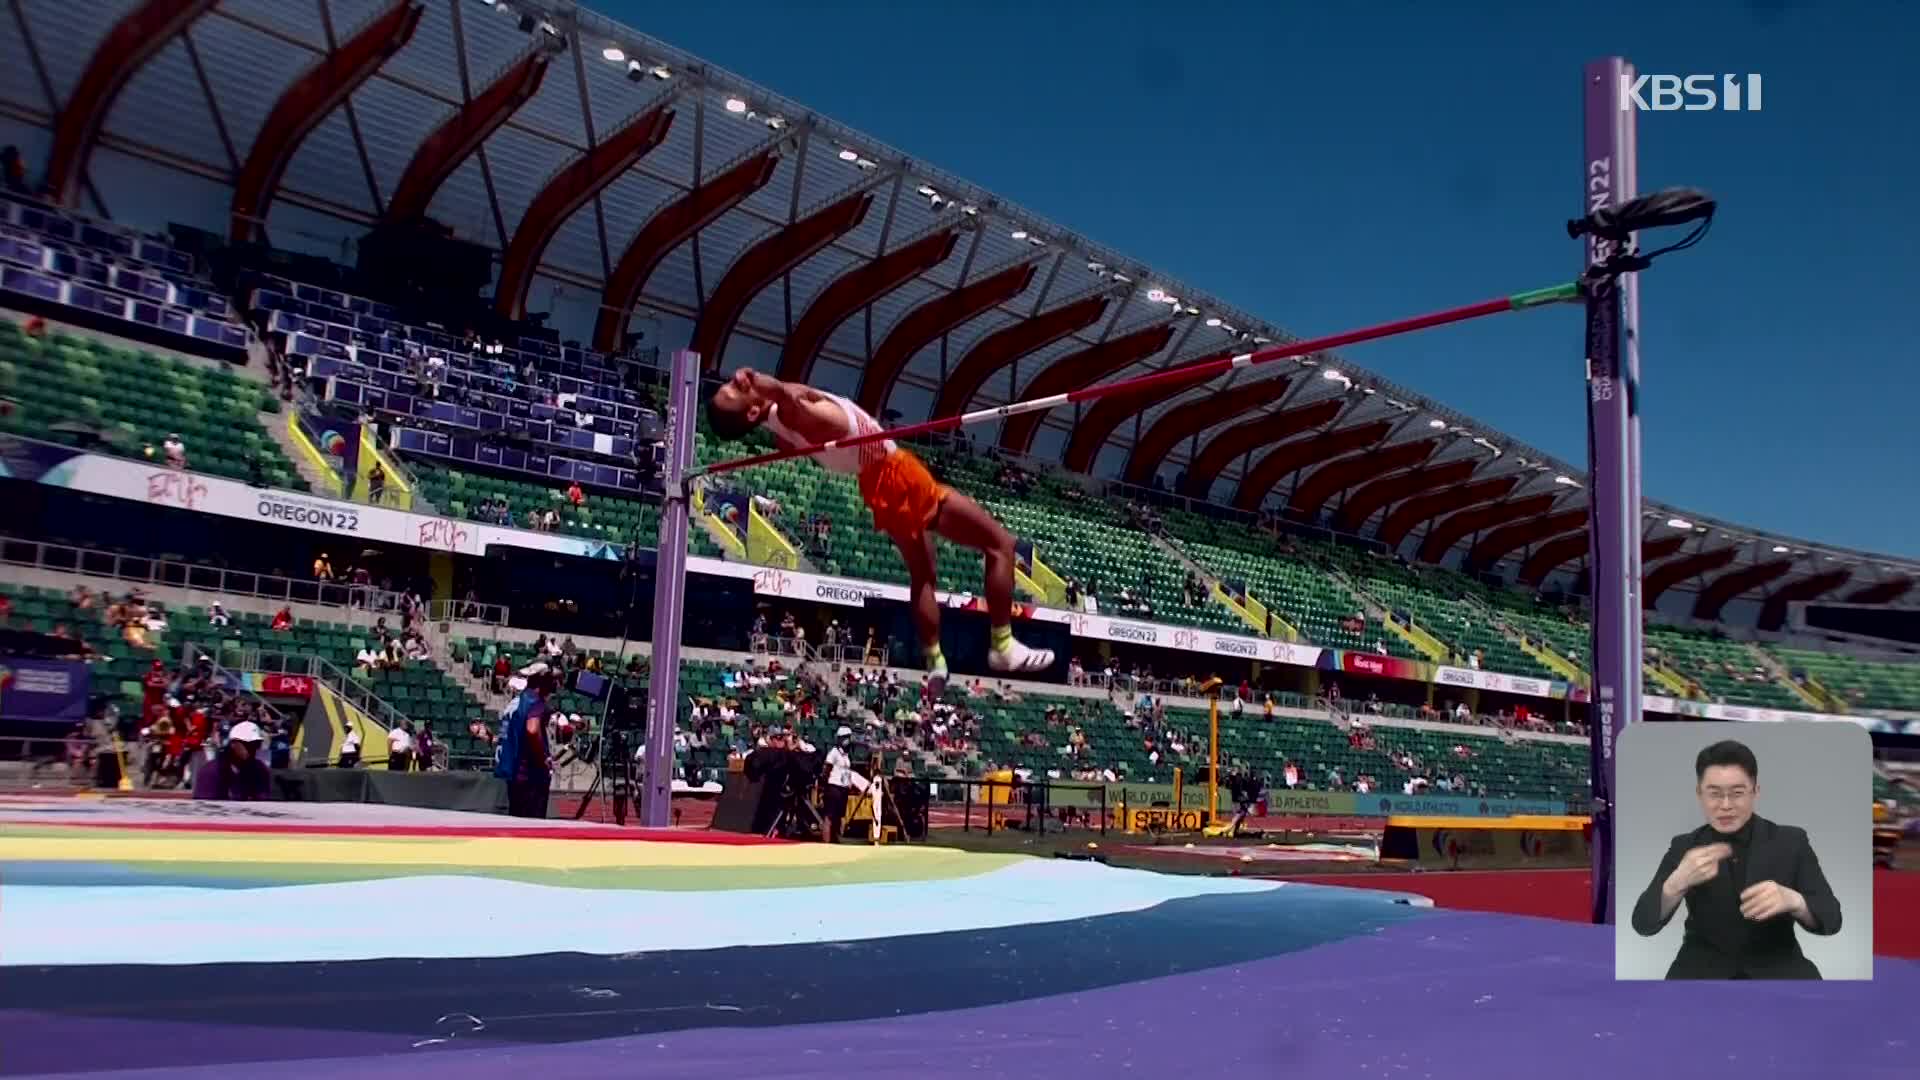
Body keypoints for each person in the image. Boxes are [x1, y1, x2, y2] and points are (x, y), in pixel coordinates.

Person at [709, 369, 1053, 694]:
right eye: (737, 389)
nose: (741, 377)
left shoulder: (779, 422)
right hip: (895, 475)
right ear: (752, 411)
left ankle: (935, 660)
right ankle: (1003, 644)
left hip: (878, 483)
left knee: (924, 574)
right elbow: (784, 395)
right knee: (1000, 545)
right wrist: (767, 387)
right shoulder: (790, 414)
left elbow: (787, 419)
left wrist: (763, 390)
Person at [1630, 738, 1841, 979]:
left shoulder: (1792, 841)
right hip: (1700, 971)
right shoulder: (1684, 846)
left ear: (1756, 792)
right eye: (1715, 794)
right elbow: (1642, 924)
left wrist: (1795, 901)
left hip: (1779, 968)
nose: (1726, 805)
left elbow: (1832, 919)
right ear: (1699, 794)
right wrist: (1675, 884)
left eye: (1737, 793)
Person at [495, 664, 554, 818]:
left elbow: (504, 734)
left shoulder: (514, 703)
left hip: (514, 774)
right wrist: (544, 758)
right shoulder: (536, 703)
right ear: (543, 683)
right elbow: (532, 729)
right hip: (531, 777)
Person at [192, 721, 272, 801]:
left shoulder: (259, 769)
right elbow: (204, 808)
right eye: (247, 744)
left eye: (256, 744)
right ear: (233, 744)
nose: (252, 748)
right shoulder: (211, 771)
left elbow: (262, 802)